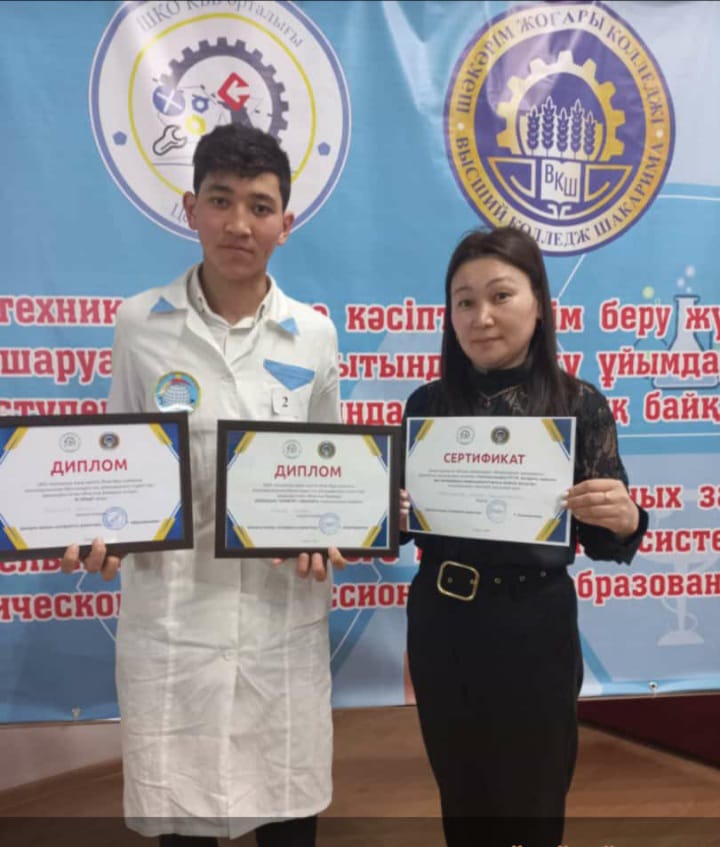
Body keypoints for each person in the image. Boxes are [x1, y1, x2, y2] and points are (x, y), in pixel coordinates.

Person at [61, 123, 345, 846]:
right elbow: (118, 461)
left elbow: (332, 469)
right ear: (191, 209)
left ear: (286, 222)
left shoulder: (313, 335)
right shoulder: (139, 324)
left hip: (279, 622)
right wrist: (104, 530)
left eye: (259, 206)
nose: (239, 224)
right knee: (182, 824)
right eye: (221, 200)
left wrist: (332, 529)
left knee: (288, 821)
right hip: (175, 623)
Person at [399, 226, 648, 847]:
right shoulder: (427, 405)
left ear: (539, 303)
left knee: (533, 799)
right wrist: (387, 514)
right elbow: (398, 530)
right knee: (462, 792)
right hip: (442, 620)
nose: (480, 317)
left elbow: (606, 541)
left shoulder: (578, 404)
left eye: (500, 296)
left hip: (532, 623)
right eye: (463, 301)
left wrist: (627, 519)